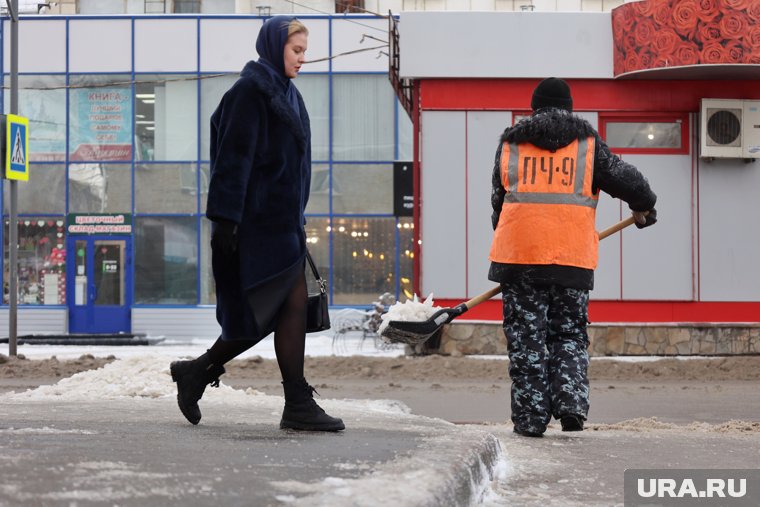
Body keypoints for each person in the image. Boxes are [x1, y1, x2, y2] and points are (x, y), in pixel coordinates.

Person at [170, 16, 344, 432]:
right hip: (253, 228)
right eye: (296, 50)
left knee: (288, 306)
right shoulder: (250, 93)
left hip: (284, 227)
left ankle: (204, 374)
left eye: (304, 51)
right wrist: (227, 221)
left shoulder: (289, 95)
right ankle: (290, 400)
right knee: (266, 311)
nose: (303, 58)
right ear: (273, 47)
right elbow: (233, 161)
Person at [489, 77, 657, 437]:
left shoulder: (510, 145)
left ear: (533, 108)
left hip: (519, 260)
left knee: (527, 340)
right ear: (569, 107)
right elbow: (627, 180)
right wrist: (644, 206)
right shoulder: (588, 147)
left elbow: (497, 206)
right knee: (568, 333)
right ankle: (570, 405)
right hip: (572, 260)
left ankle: (531, 420)